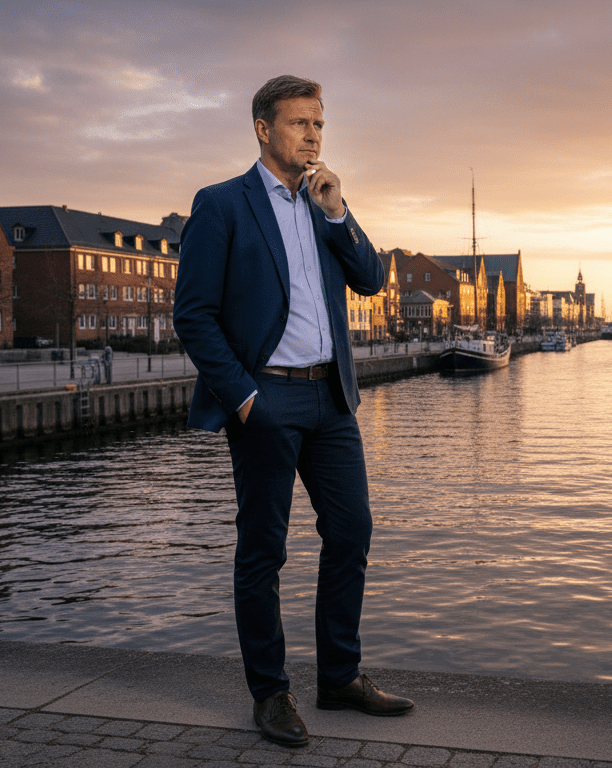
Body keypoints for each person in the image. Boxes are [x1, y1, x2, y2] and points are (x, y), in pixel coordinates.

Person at [173, 74, 413, 748]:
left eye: (319, 125)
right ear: (263, 128)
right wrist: (245, 398)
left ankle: (339, 678)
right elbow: (193, 316)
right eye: (300, 124)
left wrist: (337, 210)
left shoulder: (323, 201)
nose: (312, 136)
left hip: (330, 397)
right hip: (266, 397)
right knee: (263, 550)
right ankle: (271, 694)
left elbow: (370, 278)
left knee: (352, 532)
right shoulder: (222, 205)